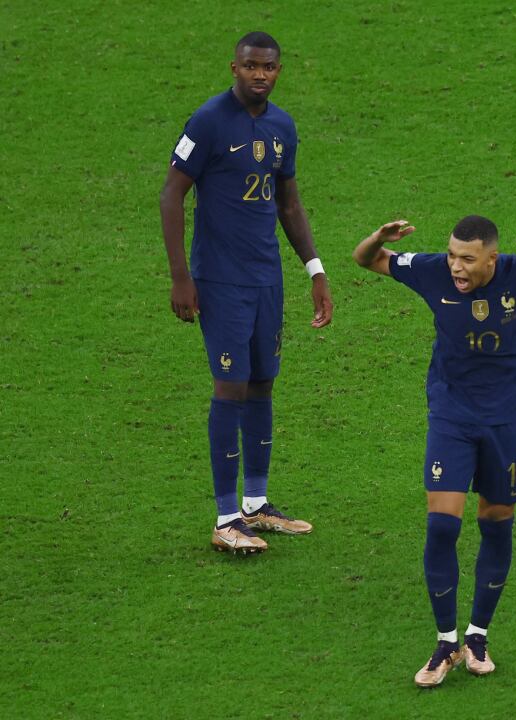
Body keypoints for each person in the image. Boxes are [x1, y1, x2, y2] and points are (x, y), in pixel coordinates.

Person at [352, 215, 516, 687]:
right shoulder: (432, 270)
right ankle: (444, 643)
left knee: (496, 522)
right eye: (453, 255)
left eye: (468, 259)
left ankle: (477, 637)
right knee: (441, 524)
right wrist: (378, 239)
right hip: (452, 416)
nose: (456, 266)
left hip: (508, 419)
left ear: (492, 259)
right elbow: (367, 259)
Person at [160, 31, 332, 554]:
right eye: (252, 66)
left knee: (262, 384)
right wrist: (181, 277)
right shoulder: (208, 121)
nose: (261, 74)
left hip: (266, 279)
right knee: (230, 388)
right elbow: (171, 196)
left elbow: (288, 205)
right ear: (233, 67)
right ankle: (224, 517)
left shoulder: (282, 126)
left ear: (279, 71)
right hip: (220, 280)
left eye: (270, 67)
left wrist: (316, 270)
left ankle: (256, 506)